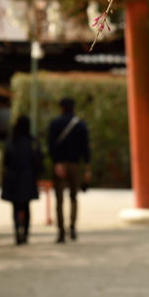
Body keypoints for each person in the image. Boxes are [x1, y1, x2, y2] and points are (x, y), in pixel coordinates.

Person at [47, 97, 90, 243]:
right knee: (73, 197)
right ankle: (72, 226)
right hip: (76, 165)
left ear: (61, 108)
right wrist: (87, 168)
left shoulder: (55, 123)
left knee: (59, 200)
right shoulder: (80, 125)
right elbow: (86, 148)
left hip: (60, 165)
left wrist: (56, 162)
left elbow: (51, 145)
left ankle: (61, 231)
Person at [1, 115, 42, 244]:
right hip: (28, 177)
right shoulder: (33, 141)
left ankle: (16, 230)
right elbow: (38, 160)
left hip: (13, 177)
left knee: (15, 207)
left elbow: (6, 161)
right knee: (26, 206)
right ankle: (25, 233)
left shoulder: (10, 141)